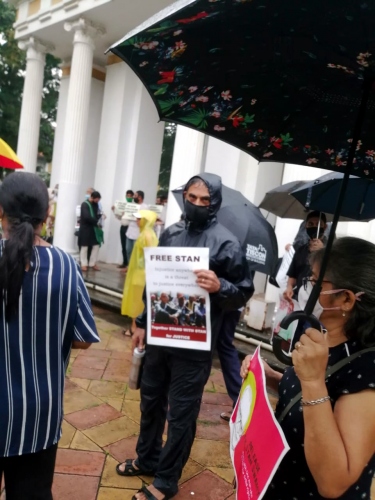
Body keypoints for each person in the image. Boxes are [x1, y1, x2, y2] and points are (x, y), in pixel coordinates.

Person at [116, 173, 254, 500]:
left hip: (195, 346)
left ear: (214, 203)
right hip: (161, 336)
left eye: (204, 200)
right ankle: (147, 456)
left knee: (181, 413)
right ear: (184, 197)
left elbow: (243, 292)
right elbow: (155, 284)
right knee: (150, 401)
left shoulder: (227, 243)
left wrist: (221, 287)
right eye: (192, 198)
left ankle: (166, 479)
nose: (196, 204)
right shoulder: (172, 233)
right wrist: (141, 322)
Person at [241, 236, 375, 499]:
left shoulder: (368, 370)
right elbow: (308, 400)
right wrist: (269, 377)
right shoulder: (322, 338)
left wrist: (313, 382)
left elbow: (334, 481)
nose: (306, 288)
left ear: (346, 299)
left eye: (313, 282)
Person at [0, 172, 100, 500]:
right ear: (47, 216)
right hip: (38, 415)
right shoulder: (66, 267)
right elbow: (83, 337)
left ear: (1, 212)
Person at [121, 210, 158, 336]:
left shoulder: (146, 236)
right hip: (141, 273)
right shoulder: (148, 234)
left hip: (141, 274)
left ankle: (134, 328)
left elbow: (149, 256)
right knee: (137, 301)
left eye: (139, 219)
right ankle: (134, 327)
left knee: (136, 301)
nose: (137, 221)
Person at [283, 211, 327, 301]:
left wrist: (322, 252)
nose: (314, 227)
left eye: (318, 224)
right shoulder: (300, 250)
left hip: (320, 300)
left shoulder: (331, 250)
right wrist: (289, 287)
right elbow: (293, 274)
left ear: (325, 227)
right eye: (310, 224)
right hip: (299, 299)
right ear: (306, 226)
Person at [78, 191, 103, 272]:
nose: (97, 201)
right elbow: (86, 217)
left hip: (93, 229)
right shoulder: (84, 204)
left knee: (96, 246)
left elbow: (96, 214)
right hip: (86, 228)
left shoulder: (95, 205)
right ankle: (83, 264)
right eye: (97, 199)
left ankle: (92, 263)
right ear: (92, 197)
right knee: (84, 247)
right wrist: (96, 221)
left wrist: (100, 216)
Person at [112, 189, 134, 270]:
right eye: (127, 195)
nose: (128, 197)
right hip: (123, 226)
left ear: (132, 197)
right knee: (123, 245)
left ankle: (129, 264)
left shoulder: (133, 206)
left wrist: (128, 213)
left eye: (130, 196)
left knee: (129, 247)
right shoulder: (123, 205)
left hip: (129, 227)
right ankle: (124, 262)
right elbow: (119, 217)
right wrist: (114, 210)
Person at [125, 190, 147, 266]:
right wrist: (125, 213)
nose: (133, 197)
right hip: (130, 231)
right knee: (128, 250)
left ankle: (135, 268)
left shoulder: (145, 207)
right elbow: (128, 216)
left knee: (136, 252)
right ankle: (129, 266)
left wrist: (138, 218)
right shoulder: (133, 206)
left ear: (140, 197)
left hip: (138, 232)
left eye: (135, 196)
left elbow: (145, 219)